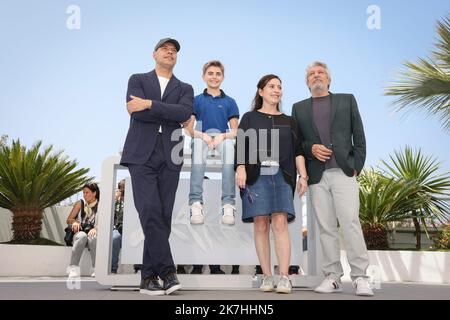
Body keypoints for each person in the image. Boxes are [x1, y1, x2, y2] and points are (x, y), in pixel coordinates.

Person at [291, 61, 374, 296]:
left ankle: (360, 278)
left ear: (328, 79)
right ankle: (332, 277)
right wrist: (312, 148)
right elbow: (298, 143)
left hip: (343, 171)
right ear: (307, 82)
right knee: (325, 228)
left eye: (321, 73)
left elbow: (359, 135)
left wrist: (356, 166)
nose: (316, 76)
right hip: (317, 176)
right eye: (311, 74)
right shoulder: (299, 108)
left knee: (350, 223)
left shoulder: (347, 100)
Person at [120, 38, 194, 296]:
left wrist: (150, 104)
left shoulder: (185, 87)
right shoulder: (138, 79)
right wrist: (169, 112)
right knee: (149, 209)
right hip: (141, 153)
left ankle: (148, 278)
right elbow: (135, 112)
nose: (170, 51)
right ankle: (168, 271)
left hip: (171, 153)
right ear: (154, 54)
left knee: (163, 215)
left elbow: (183, 113)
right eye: (165, 48)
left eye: (174, 50)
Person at [235, 74, 308, 294]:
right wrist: (240, 168)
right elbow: (241, 145)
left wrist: (303, 176)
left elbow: (298, 151)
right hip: (256, 175)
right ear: (261, 91)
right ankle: (267, 276)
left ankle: (284, 277)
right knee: (260, 224)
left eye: (279, 87)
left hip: (282, 175)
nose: (276, 90)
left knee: (280, 224)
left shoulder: (290, 121)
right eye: (271, 86)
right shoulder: (249, 118)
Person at [184, 60, 239, 225]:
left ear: (222, 77)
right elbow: (189, 129)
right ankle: (195, 203)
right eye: (210, 73)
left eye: (218, 74)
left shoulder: (230, 102)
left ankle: (228, 204)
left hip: (223, 139)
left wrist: (222, 136)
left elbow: (235, 132)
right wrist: (203, 136)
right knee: (199, 149)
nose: (214, 77)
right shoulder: (196, 100)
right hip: (202, 138)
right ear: (203, 77)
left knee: (230, 149)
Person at [66, 183, 100, 279]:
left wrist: (96, 228)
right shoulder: (80, 203)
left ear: (94, 193)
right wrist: (74, 222)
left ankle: (96, 268)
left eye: (87, 192)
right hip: (80, 234)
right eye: (83, 193)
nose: (85, 195)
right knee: (82, 236)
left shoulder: (101, 205)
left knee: (93, 238)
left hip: (93, 234)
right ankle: (73, 269)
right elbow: (69, 219)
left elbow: (106, 222)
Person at [111, 179, 124, 274]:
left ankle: (139, 268)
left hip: (133, 228)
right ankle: (113, 268)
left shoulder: (136, 198)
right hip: (118, 227)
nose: (123, 192)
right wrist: (115, 198)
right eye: (122, 189)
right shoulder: (117, 201)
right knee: (115, 239)